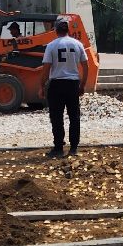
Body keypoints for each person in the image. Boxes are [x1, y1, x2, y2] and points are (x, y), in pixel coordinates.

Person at [41, 16, 88, 158]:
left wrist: (41, 85)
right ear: (68, 29)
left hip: (56, 84)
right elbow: (86, 66)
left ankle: (58, 147)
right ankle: (73, 148)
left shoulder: (51, 46)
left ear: (55, 30)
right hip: (73, 83)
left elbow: (46, 68)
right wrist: (82, 84)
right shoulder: (77, 44)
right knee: (74, 116)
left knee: (56, 117)